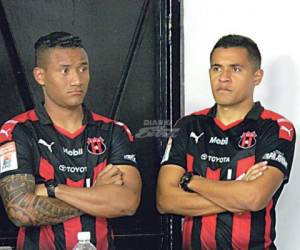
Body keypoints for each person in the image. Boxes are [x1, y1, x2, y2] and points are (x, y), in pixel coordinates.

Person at [0, 31, 142, 250]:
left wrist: (52, 189)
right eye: (64, 70)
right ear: (40, 76)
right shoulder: (17, 131)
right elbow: (21, 211)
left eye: (83, 69)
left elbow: (127, 203)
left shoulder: (114, 131)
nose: (77, 80)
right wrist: (97, 195)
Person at [157, 34, 296, 249]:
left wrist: (191, 181)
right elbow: (165, 200)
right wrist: (236, 194)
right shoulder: (187, 125)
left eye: (236, 69)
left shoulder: (276, 127)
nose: (224, 77)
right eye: (216, 68)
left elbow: (254, 197)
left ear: (257, 76)